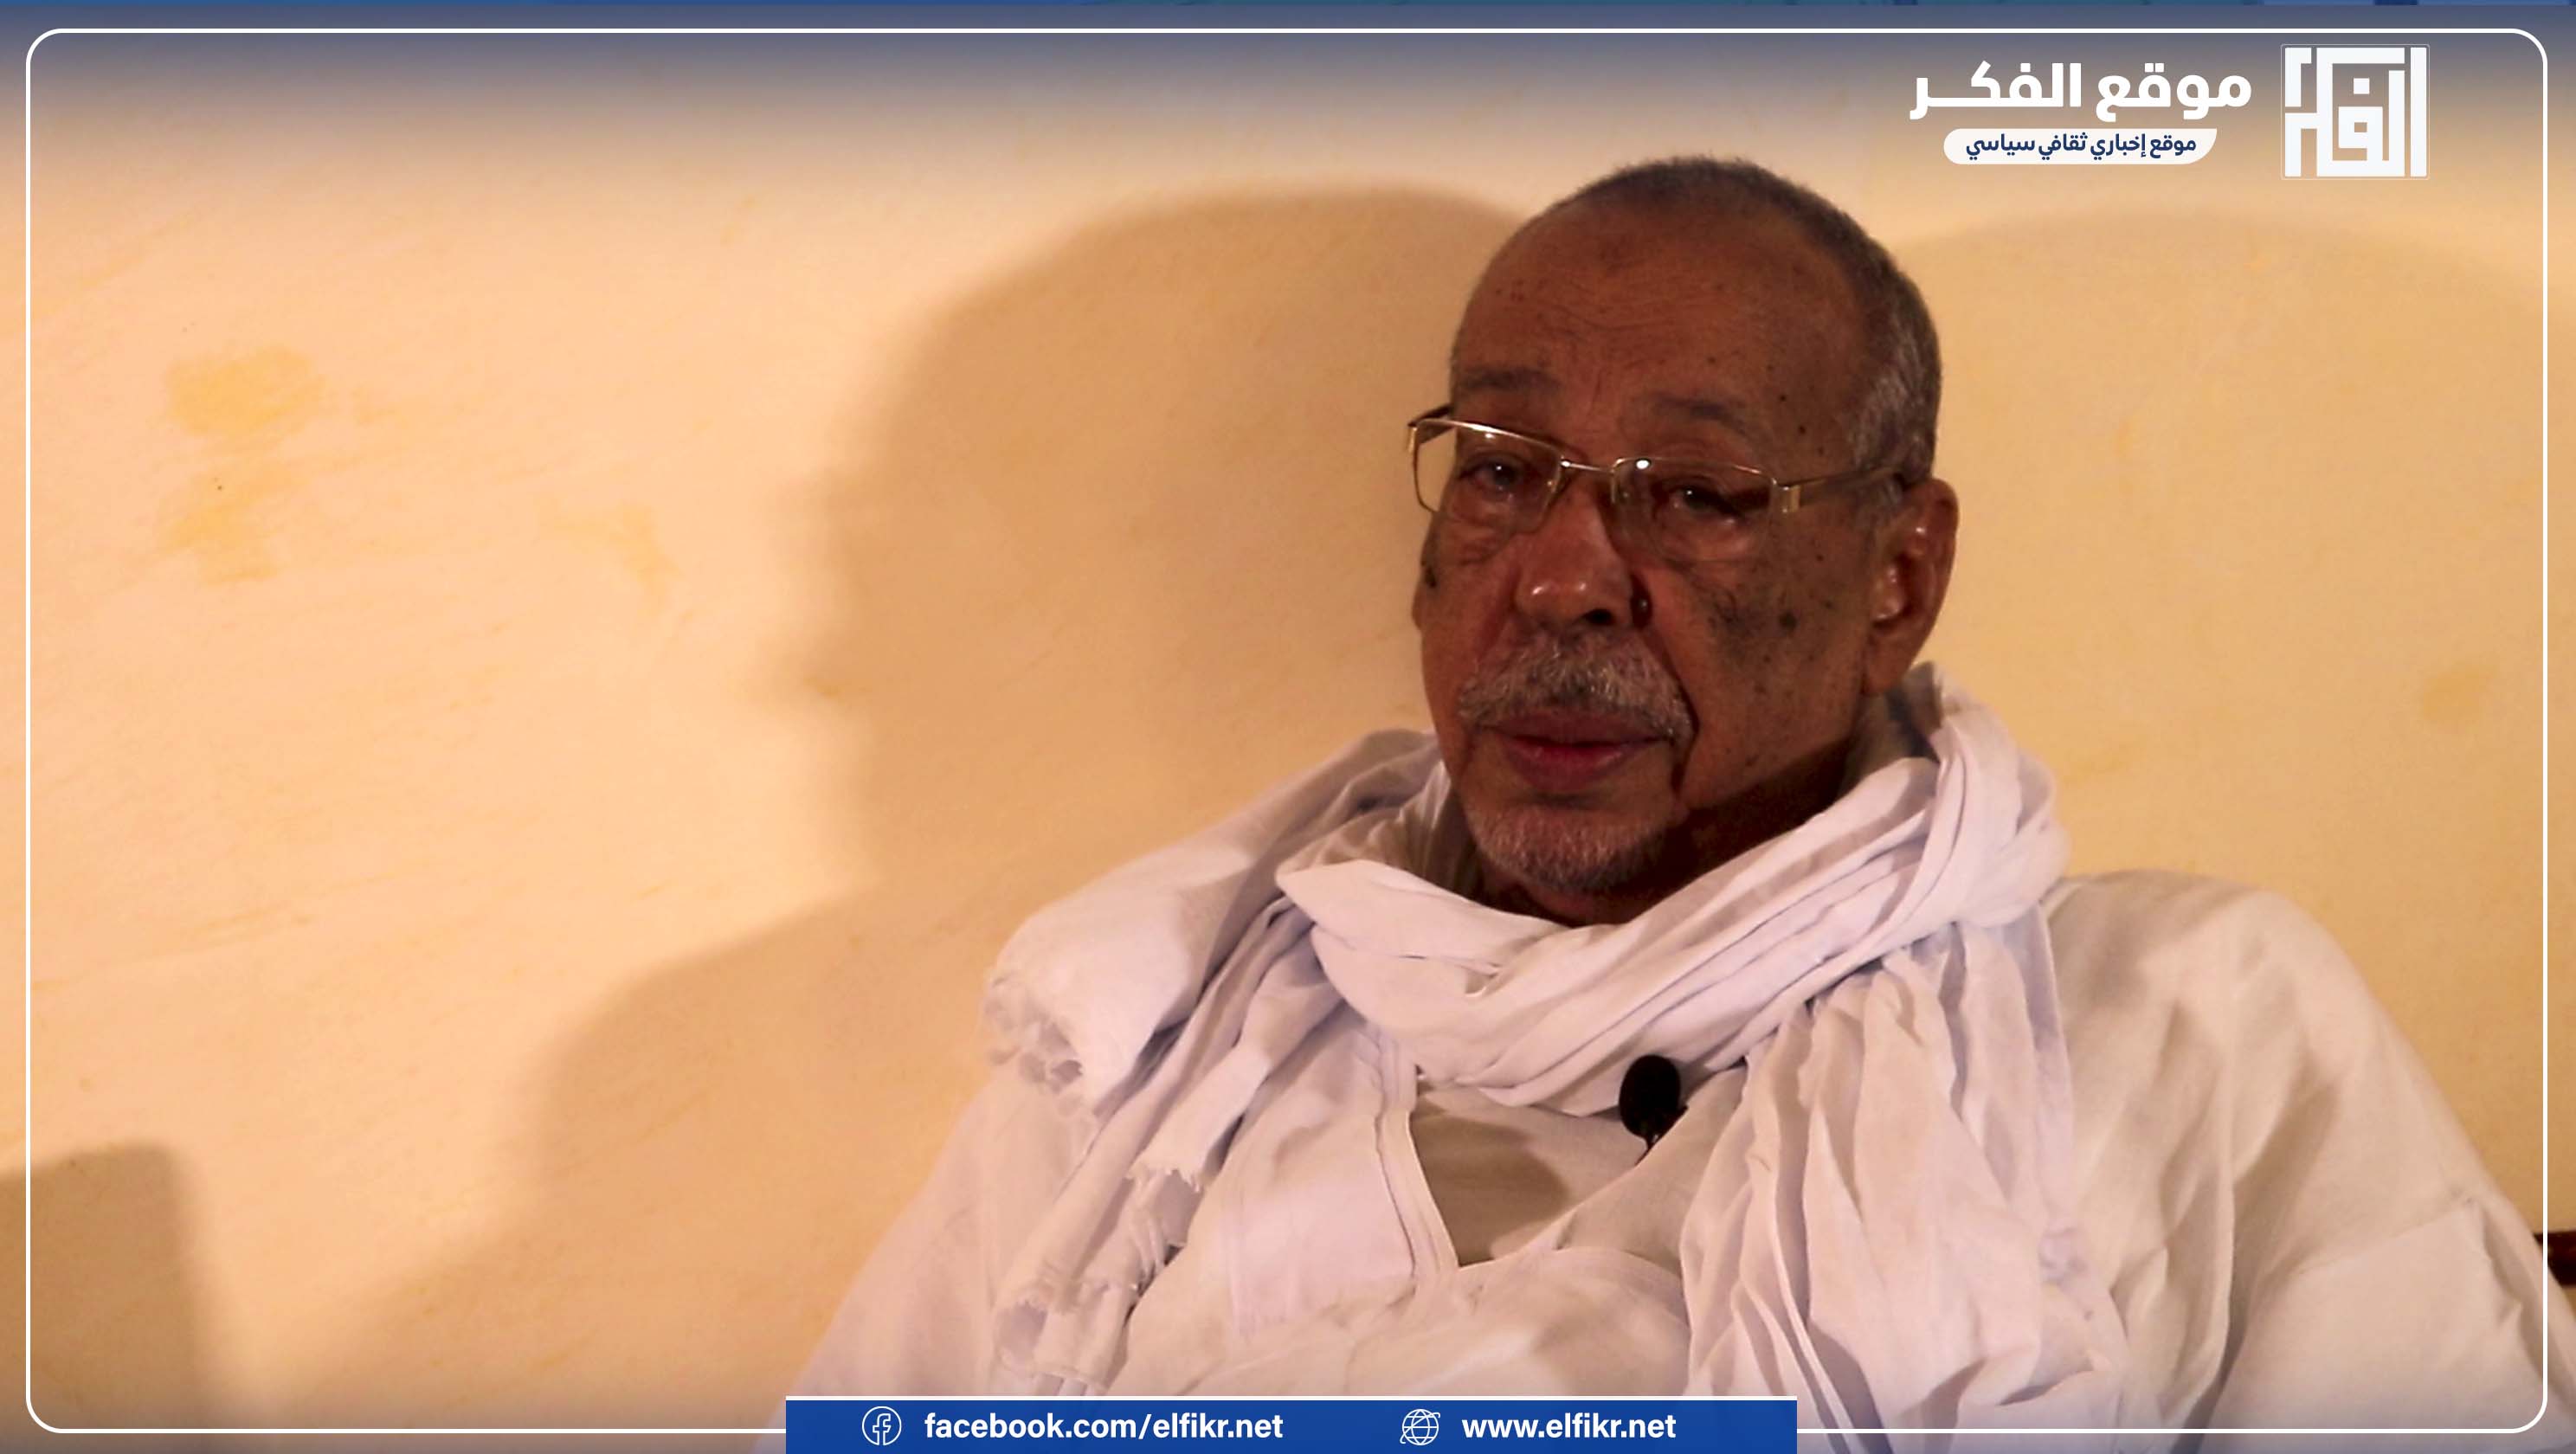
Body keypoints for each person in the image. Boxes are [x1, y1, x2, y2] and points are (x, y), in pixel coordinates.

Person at [772, 157, 2576, 1446]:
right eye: (1504, 470)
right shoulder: (1150, 1053)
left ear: (1898, 578)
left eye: (1696, 494)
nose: (1564, 577)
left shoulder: (2182, 1022)